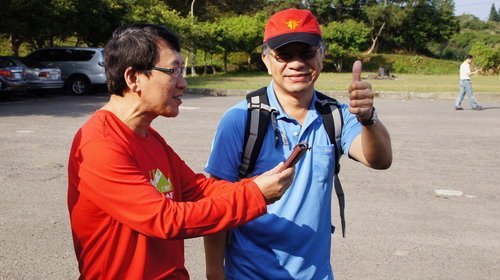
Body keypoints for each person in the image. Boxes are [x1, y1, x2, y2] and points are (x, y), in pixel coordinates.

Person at [67, 23, 295, 280]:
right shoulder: (99, 144)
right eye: (173, 71)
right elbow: (165, 220)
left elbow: (197, 190)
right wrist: (254, 196)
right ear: (133, 78)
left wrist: (257, 184)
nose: (183, 83)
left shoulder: (149, 136)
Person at [204, 8, 393, 279]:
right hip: (248, 274)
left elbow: (380, 160)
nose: (296, 64)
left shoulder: (337, 115)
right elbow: (217, 200)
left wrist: (367, 117)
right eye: (284, 55)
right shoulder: (240, 119)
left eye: (305, 53)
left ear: (322, 56)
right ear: (267, 60)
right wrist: (214, 274)